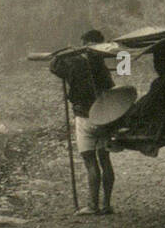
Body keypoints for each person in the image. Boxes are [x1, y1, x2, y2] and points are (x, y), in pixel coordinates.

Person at [49, 28, 116, 215]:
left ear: (85, 43)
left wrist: (70, 51)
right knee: (105, 160)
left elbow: (54, 65)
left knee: (90, 162)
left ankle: (93, 205)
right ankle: (106, 204)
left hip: (83, 117)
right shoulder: (100, 64)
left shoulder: (73, 63)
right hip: (103, 117)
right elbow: (111, 87)